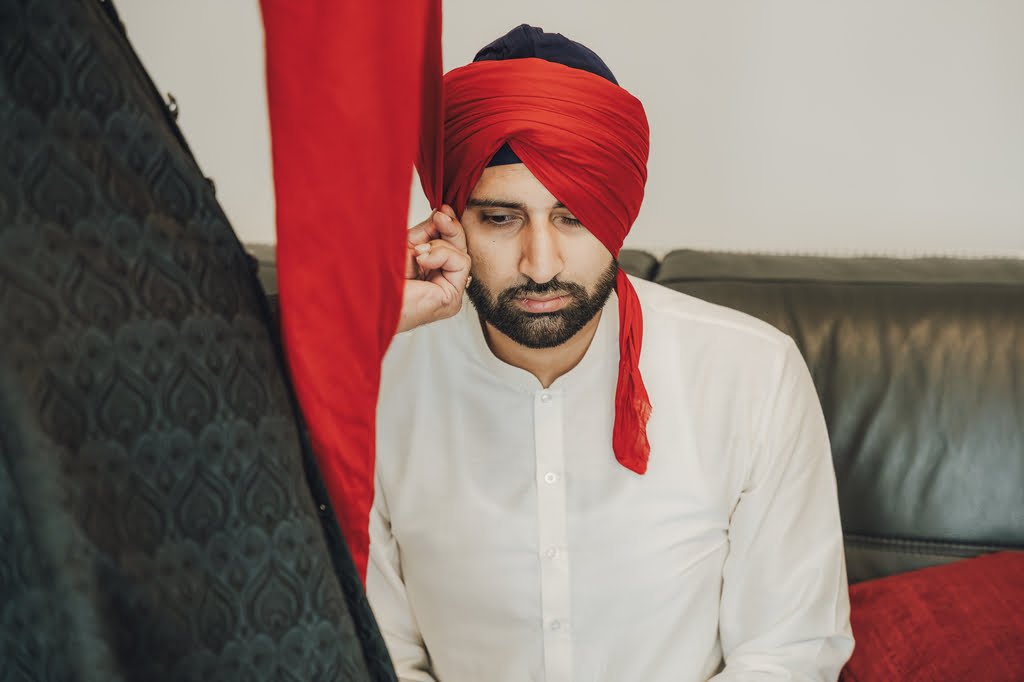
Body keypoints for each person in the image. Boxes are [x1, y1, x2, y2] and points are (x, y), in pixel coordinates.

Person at [368, 24, 854, 682]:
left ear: (619, 213)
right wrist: (358, 327)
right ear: (449, 220)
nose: (541, 265)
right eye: (501, 218)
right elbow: (374, 652)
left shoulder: (752, 377)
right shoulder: (375, 383)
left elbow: (788, 655)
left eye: (574, 216)